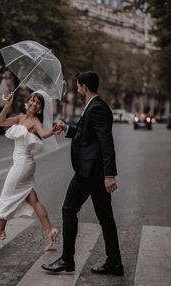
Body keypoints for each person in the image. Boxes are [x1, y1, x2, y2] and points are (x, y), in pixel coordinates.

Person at [42, 71, 124, 275]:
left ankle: (67, 260)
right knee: (105, 217)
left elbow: (106, 141)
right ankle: (114, 262)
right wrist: (66, 128)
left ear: (85, 87)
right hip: (95, 172)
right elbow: (86, 134)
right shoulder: (95, 107)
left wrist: (110, 174)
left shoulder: (96, 108)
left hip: (89, 172)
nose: (77, 89)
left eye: (78, 86)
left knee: (68, 209)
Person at [0, 90, 59, 251]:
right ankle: (49, 230)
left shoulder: (34, 122)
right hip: (22, 163)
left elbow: (44, 133)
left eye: (38, 103)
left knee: (6, 195)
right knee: (33, 200)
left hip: (23, 164)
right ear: (28, 102)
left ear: (40, 108)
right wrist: (7, 104)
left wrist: (53, 130)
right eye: (32, 100)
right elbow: (0, 121)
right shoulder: (20, 118)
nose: (34, 104)